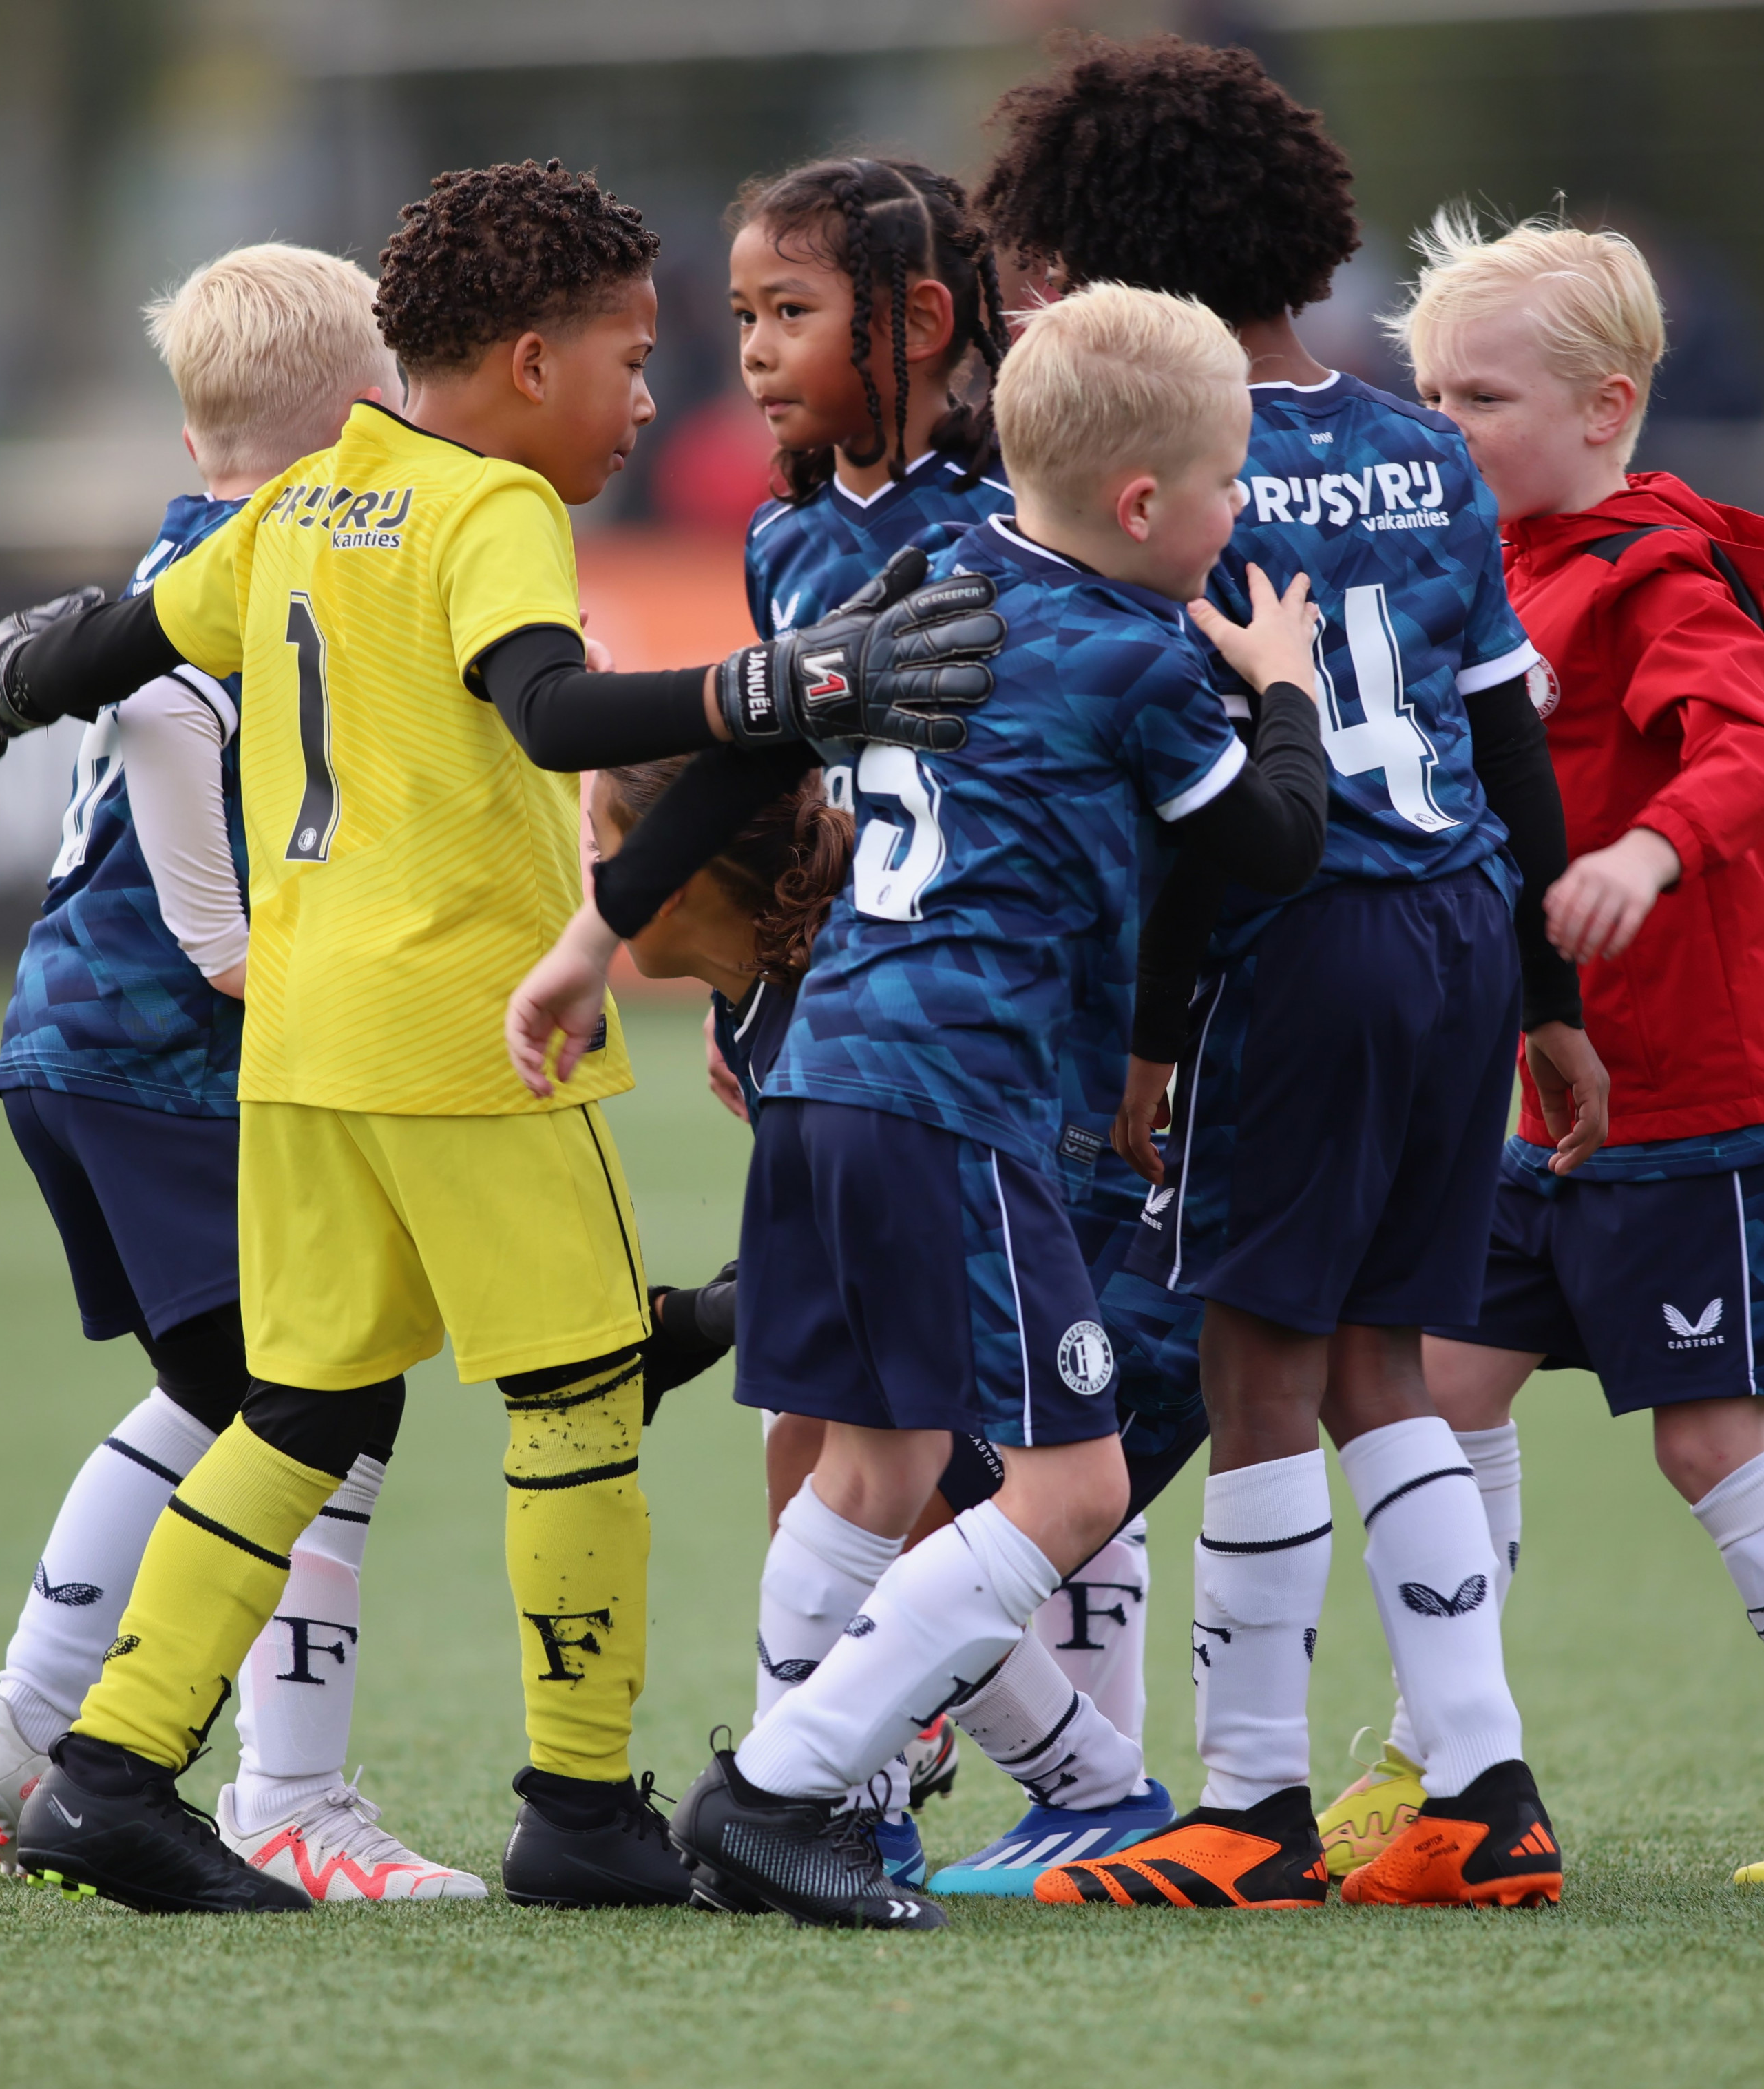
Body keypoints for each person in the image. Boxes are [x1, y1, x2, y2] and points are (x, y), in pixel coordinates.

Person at [0, 160, 1007, 1916]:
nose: (653, 396)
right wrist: (785, 683)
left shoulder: (310, 492)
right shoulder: (487, 509)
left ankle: (109, 1769)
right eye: (628, 353)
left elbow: (134, 629)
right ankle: (581, 1805)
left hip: (299, 1039)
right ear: (529, 362)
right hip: (463, 1028)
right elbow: (550, 712)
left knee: (304, 1400)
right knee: (581, 1391)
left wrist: (22, 668)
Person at [508, 282, 1332, 1929]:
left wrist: (597, 934)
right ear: (1147, 505)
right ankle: (777, 1790)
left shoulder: (920, 583)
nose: (1241, 517)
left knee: (873, 1468)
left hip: (820, 1076)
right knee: (1073, 1487)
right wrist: (1285, 686)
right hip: (956, 1105)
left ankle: (825, 1808)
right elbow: (1280, 846)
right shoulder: (1139, 659)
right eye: (1230, 486)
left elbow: (746, 753)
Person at [976, 34, 1600, 1913]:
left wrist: (1155, 1042)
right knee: (1379, 1363)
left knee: (1256, 1366)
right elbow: (1509, 743)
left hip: (1300, 940)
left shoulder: (1172, 465)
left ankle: (1245, 1808)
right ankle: (1484, 1787)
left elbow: (1202, 810)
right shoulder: (1418, 441)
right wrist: (1552, 1000)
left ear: (1106, 251)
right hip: (1461, 935)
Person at [1395, 207, 1764, 1887]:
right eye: (1431, 397)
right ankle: (1451, 1765)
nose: (1448, 432)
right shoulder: (1485, 569)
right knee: (1436, 1397)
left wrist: (1648, 849)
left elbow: (1754, 749)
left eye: (1482, 399)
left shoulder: (1662, 566)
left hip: (1703, 1096)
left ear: (1607, 404)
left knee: (1707, 1440)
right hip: (1546, 1097)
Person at [0, 243, 482, 1902]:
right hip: (152, 1055)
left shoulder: (202, 560)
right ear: (369, 425)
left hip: (88, 1052)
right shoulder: (230, 601)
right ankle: (287, 1791)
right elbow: (211, 918)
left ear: (199, 442)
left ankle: (20, 1723)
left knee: (215, 1394)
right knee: (325, 1400)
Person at [722, 154, 1177, 1892]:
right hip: (870, 1022)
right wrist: (750, 971)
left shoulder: (1020, 504)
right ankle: (872, 1791)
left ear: (921, 321)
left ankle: (1069, 1777)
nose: (755, 352)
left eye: (790, 314)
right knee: (841, 1437)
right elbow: (795, 789)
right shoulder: (780, 536)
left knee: (1060, 1439)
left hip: (1039, 1042)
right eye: (743, 316)